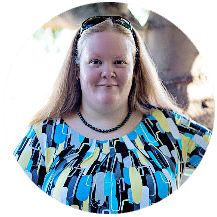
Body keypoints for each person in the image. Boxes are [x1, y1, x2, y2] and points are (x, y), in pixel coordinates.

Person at [14, 16, 212, 214]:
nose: (108, 72)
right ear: (77, 69)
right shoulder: (43, 136)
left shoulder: (169, 127)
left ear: (135, 70)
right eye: (95, 61)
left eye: (119, 62)